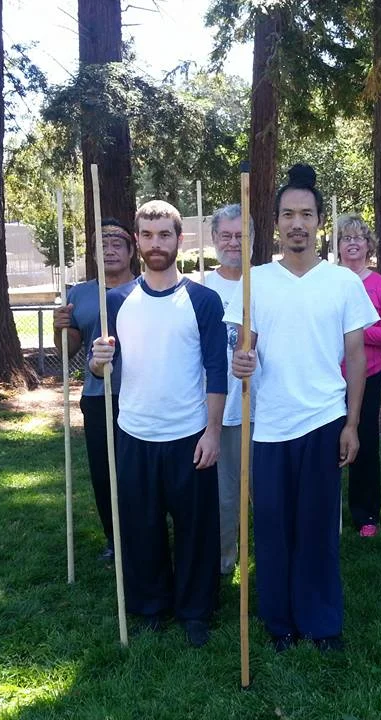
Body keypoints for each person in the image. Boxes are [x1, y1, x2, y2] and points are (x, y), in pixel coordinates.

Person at [227, 164, 378, 652]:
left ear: (319, 222)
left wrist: (353, 423)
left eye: (306, 214)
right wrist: (242, 362)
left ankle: (321, 622)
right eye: (288, 213)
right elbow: (242, 349)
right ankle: (279, 623)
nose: (297, 222)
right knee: (271, 529)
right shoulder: (255, 282)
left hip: (323, 419)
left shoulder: (343, 284)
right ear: (276, 222)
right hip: (269, 423)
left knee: (317, 530)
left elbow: (356, 356)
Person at [90, 200, 227, 647]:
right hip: (134, 433)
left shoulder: (202, 300)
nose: (155, 244)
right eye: (147, 236)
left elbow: (216, 369)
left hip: (189, 434)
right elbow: (99, 368)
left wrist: (211, 432)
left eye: (164, 235)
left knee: (195, 529)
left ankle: (195, 610)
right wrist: (97, 362)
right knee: (140, 526)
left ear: (179, 240)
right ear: (137, 242)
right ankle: (149, 605)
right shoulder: (115, 301)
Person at [53, 218, 135, 561]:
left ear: (132, 251)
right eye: (103, 245)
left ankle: (145, 535)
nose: (110, 250)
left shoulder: (147, 287)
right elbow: (68, 351)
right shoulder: (80, 294)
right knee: (104, 473)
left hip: (141, 394)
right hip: (98, 396)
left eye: (118, 244)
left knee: (139, 472)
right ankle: (114, 539)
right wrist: (62, 328)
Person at [203, 204, 258, 576]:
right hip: (217, 412)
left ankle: (270, 562)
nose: (234, 242)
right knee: (223, 498)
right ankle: (223, 564)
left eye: (241, 235)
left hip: (263, 410)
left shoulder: (267, 281)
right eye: (226, 235)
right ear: (214, 240)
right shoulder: (200, 287)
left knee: (267, 494)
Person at [337, 213, 381, 537]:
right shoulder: (329, 282)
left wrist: (355, 333)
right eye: (346, 238)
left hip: (369, 376)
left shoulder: (379, 285)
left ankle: (366, 515)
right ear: (338, 245)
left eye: (358, 238)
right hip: (331, 377)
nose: (352, 243)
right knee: (327, 442)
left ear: (368, 245)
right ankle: (326, 510)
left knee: (365, 442)